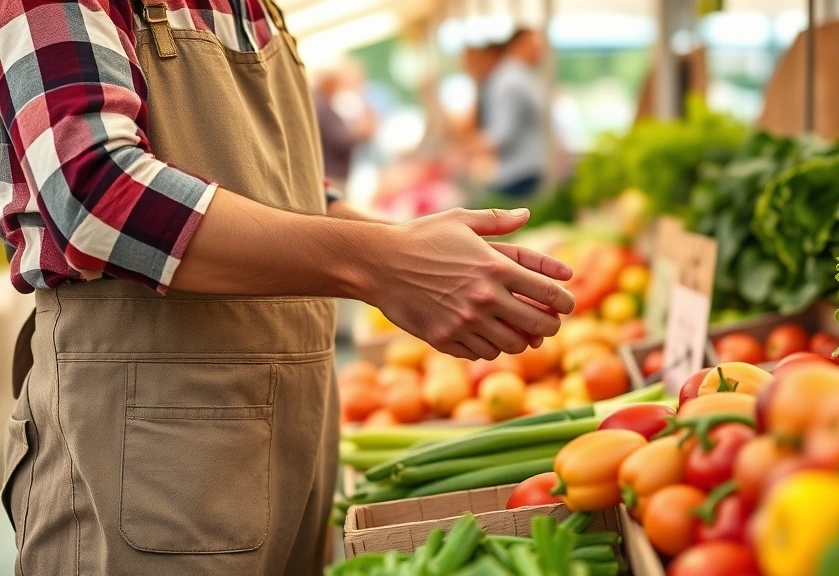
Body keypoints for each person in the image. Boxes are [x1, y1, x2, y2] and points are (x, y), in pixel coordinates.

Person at [0, 2, 574, 575]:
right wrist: (384, 265)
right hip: (150, 463)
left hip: (300, 438)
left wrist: (427, 252)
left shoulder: (258, 9)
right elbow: (96, 195)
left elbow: (298, 193)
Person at [480, 29, 548, 198]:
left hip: (523, 170)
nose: (540, 51)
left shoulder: (518, 77)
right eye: (535, 45)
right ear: (518, 45)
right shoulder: (512, 81)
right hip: (519, 173)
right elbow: (503, 135)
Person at [312, 67, 372, 194]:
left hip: (334, 173)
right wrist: (360, 131)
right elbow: (340, 140)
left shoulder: (325, 103)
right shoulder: (321, 105)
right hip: (332, 175)